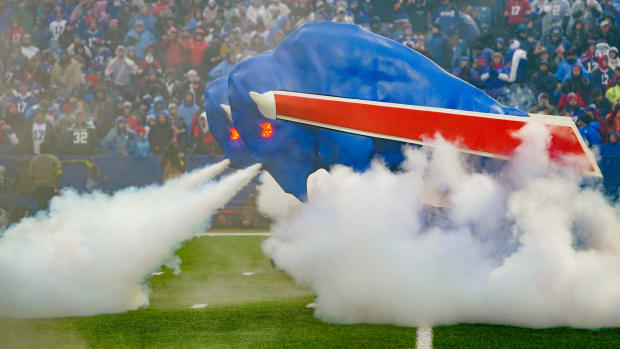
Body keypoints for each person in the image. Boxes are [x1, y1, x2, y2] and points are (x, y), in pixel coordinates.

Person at [27, 146, 61, 211]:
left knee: (41, 206)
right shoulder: (54, 159)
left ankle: (42, 219)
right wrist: (56, 180)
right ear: (49, 150)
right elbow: (59, 172)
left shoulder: (34, 159)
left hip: (39, 187)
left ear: (40, 150)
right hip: (50, 186)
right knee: (52, 205)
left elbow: (30, 174)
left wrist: (34, 182)